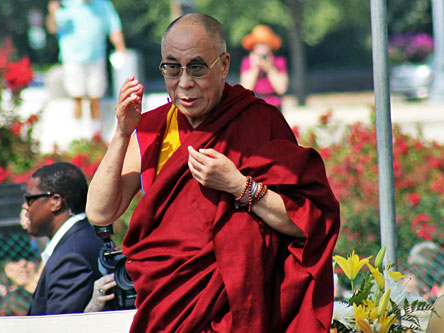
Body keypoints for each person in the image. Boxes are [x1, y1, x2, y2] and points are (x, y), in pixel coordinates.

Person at [87, 13, 339, 332]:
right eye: (172, 68)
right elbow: (100, 211)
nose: (184, 82)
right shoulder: (151, 129)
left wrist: (239, 186)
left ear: (223, 65)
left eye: (196, 67)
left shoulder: (259, 124)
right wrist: (123, 132)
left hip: (242, 312)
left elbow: (308, 223)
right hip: (168, 309)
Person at [24, 162, 103, 315]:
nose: (26, 207)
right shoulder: (82, 238)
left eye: (30, 200)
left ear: (56, 202)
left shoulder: (70, 257)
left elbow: (60, 327)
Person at [46, 0, 127, 136]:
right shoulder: (67, 5)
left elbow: (113, 28)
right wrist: (52, 12)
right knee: (77, 97)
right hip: (72, 59)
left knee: (95, 97)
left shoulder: (103, 5)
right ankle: (78, 135)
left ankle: (95, 135)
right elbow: (53, 27)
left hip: (96, 58)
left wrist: (121, 48)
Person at [240, 24, 288, 109]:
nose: (261, 47)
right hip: (253, 105)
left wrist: (270, 68)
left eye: (264, 44)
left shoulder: (279, 62)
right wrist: (254, 67)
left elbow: (281, 89)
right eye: (258, 44)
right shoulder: (247, 62)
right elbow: (246, 89)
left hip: (274, 106)